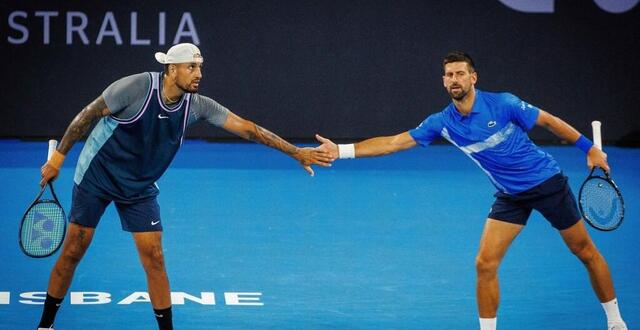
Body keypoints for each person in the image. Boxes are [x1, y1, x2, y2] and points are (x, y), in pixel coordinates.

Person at [315, 51, 627, 330]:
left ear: (473, 78)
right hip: (510, 195)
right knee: (485, 263)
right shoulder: (442, 122)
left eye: (460, 73)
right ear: (443, 82)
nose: (454, 79)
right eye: (449, 75)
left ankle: (615, 321)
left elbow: (550, 121)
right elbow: (395, 142)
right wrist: (342, 151)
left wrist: (589, 149)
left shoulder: (503, 103)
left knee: (584, 251)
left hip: (546, 183)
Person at [37, 43, 332, 330]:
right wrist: (58, 159)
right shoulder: (135, 88)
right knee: (74, 250)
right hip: (97, 176)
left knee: (154, 256)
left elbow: (248, 128)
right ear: (171, 69)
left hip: (139, 185)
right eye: (191, 67)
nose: (198, 73)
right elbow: (86, 116)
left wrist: (296, 152)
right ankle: (45, 325)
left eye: (200, 67)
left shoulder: (198, 106)